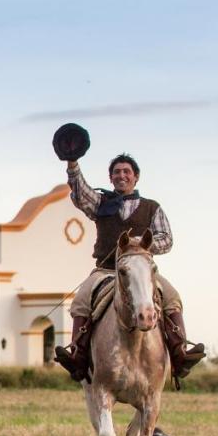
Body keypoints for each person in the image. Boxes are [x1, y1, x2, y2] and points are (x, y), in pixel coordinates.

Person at [55, 153, 205, 383]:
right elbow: (81, 193)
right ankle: (78, 355)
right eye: (117, 172)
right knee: (81, 301)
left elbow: (167, 240)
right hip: (106, 271)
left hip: (141, 271)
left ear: (136, 177)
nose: (121, 175)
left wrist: (140, 245)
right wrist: (72, 163)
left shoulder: (151, 207)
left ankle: (179, 353)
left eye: (126, 172)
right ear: (110, 177)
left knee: (172, 297)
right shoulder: (101, 204)